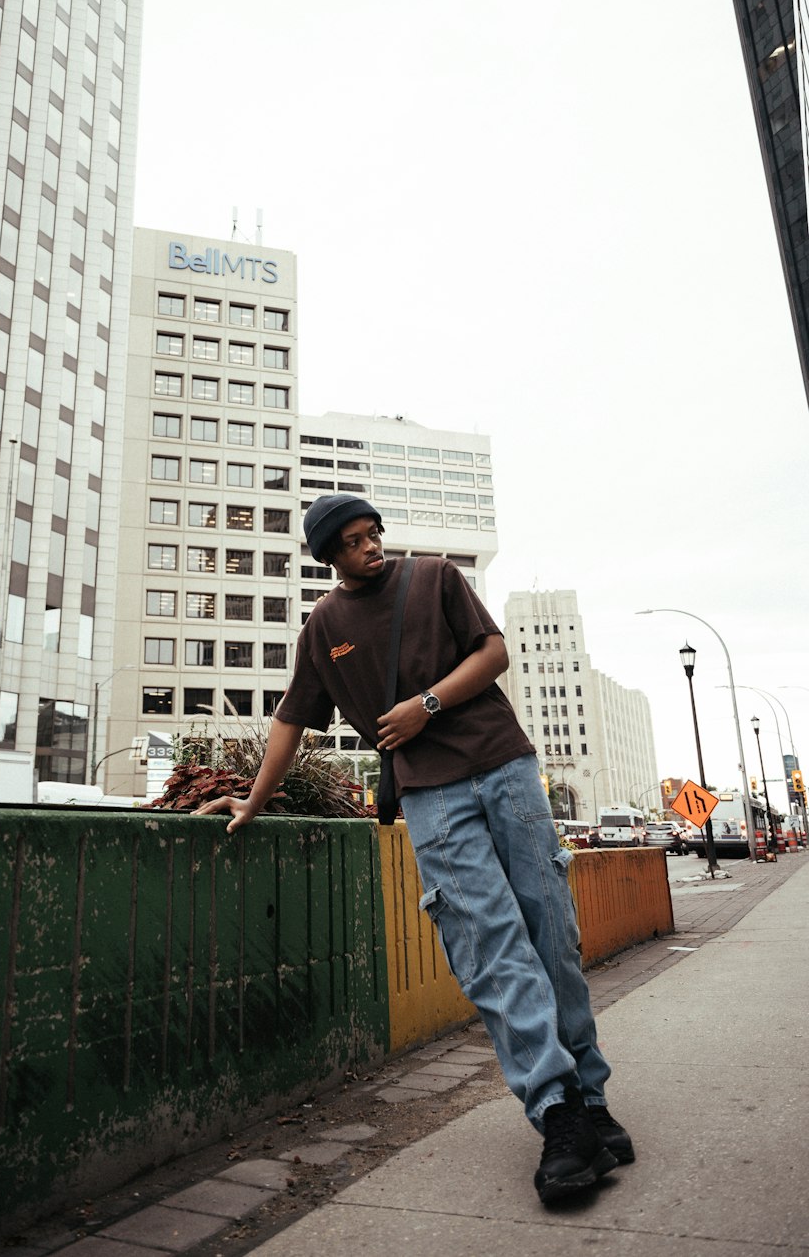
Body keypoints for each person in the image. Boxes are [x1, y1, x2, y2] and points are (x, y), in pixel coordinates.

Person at [196, 493, 634, 1204]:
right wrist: (255, 795)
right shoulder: (325, 626)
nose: (371, 547)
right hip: (430, 796)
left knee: (551, 935)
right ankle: (557, 1112)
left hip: (506, 769)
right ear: (329, 555)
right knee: (493, 949)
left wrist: (426, 703)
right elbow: (291, 720)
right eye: (354, 540)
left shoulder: (435, 578)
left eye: (374, 534)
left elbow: (494, 652)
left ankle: (591, 1099)